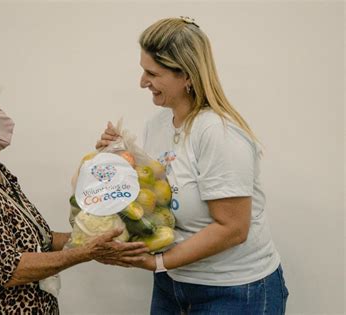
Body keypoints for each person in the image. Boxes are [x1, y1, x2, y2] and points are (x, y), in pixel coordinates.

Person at [96, 17, 289, 314]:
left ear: (186, 75)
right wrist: (117, 160)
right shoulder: (157, 125)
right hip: (173, 283)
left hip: (235, 291)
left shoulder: (218, 133)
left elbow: (233, 228)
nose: (142, 82)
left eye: (152, 73)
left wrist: (157, 262)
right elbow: (156, 196)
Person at [0, 75, 148, 314]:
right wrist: (87, 252)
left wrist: (101, 235)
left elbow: (42, 239)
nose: (1, 113)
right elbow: (10, 269)